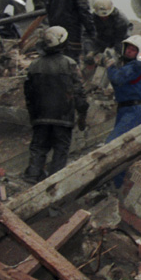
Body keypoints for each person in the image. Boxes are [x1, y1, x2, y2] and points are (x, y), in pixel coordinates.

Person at [23, 27, 88, 183]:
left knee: (38, 149)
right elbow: (79, 93)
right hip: (63, 118)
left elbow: (28, 95)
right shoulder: (70, 64)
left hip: (40, 118)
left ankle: (32, 179)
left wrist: (33, 116)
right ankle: (53, 185)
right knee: (60, 152)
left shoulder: (34, 65)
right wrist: (82, 114)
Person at [105, 35, 141, 187]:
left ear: (139, 52)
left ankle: (120, 183)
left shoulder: (136, 66)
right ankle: (119, 183)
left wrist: (110, 66)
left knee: (114, 144)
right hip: (125, 108)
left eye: (133, 50)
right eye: (128, 48)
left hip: (133, 109)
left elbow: (117, 79)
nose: (129, 52)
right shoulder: (127, 66)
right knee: (123, 146)